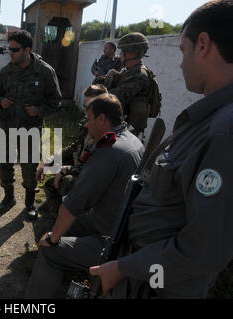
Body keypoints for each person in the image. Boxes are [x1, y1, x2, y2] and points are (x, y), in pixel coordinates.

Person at [89, 0, 233, 299]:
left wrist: (125, 268)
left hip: (163, 284)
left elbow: (203, 249)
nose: (181, 62)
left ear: (203, 45)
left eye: (183, 50)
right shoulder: (208, 120)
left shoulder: (223, 131)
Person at [25, 93, 144, 298]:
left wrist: (54, 240)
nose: (87, 125)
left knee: (50, 248)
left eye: (89, 120)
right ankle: (61, 280)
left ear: (101, 119)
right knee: (62, 226)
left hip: (112, 241)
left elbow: (73, 204)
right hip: (116, 223)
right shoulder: (132, 141)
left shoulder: (110, 151)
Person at [0, 30, 62, 220]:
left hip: (30, 128)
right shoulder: (6, 72)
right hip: (7, 127)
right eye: (9, 49)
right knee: (5, 164)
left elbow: (56, 101)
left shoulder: (45, 71)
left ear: (27, 50)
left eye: (15, 50)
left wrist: (38, 111)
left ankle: (29, 202)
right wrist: (1, 103)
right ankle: (9, 197)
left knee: (29, 166)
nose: (11, 53)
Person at [36, 84, 108, 219]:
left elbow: (94, 168)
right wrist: (50, 161)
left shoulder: (105, 130)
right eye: (85, 106)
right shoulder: (89, 122)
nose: (86, 110)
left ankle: (64, 223)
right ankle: (56, 214)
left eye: (89, 106)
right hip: (79, 166)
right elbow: (75, 147)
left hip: (90, 176)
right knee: (51, 175)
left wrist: (67, 170)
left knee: (64, 182)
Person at [94, 32, 157, 136]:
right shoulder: (127, 70)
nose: (121, 53)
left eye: (123, 50)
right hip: (118, 125)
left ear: (131, 53)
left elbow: (116, 96)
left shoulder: (140, 75)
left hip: (127, 132)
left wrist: (97, 95)